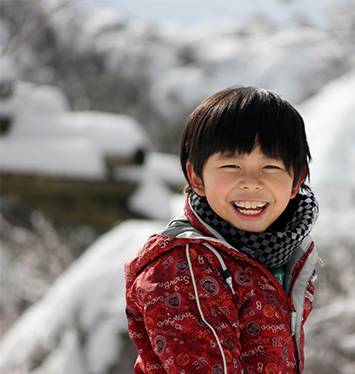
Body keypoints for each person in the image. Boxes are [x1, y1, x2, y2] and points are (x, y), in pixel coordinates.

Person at [124, 86, 320, 374]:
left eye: (270, 166)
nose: (251, 182)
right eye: (231, 165)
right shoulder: (184, 267)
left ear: (296, 180)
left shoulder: (278, 255)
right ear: (196, 177)